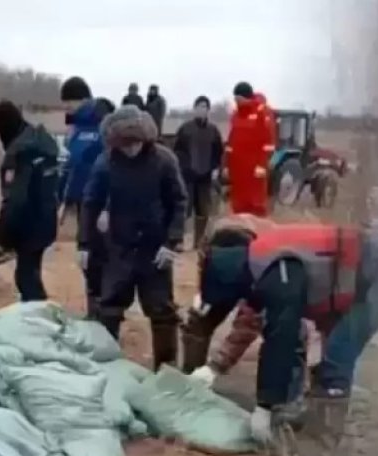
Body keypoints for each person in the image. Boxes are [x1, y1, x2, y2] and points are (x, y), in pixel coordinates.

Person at [183, 215, 378, 446]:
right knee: (327, 359)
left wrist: (265, 406)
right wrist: (215, 368)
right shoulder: (258, 263)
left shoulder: (276, 267)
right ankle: (312, 420)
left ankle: (324, 443)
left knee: (337, 356)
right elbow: (258, 317)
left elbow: (281, 335)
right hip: (351, 280)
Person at [82, 105, 187, 368]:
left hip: (155, 249)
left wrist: (171, 242)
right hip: (119, 246)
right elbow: (90, 203)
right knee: (109, 307)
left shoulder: (164, 160)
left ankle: (166, 368)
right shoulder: (106, 162)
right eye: (124, 145)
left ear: (145, 139)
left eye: (135, 143)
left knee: (162, 311)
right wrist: (85, 243)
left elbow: (179, 202)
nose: (130, 149)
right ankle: (105, 365)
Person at [0, 101, 60, 302]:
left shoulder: (18, 154)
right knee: (31, 274)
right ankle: (36, 315)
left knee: (26, 279)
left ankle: (38, 322)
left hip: (29, 226)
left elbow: (15, 201)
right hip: (47, 220)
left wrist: (1, 236)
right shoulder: (44, 142)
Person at [60, 76, 113, 317]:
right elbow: (73, 166)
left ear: (82, 99)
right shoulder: (76, 128)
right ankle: (95, 307)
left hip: (102, 203)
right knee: (86, 256)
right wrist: (65, 199)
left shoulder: (103, 123)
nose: (66, 107)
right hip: (83, 201)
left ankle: (105, 309)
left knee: (100, 256)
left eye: (68, 102)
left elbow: (114, 168)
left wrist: (108, 206)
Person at [172, 96, 224, 249]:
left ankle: (199, 242)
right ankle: (179, 240)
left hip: (205, 176)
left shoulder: (213, 131)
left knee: (203, 210)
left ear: (208, 110)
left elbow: (218, 152)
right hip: (187, 176)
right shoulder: (185, 128)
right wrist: (182, 167)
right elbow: (177, 150)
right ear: (194, 109)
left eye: (205, 107)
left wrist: (215, 169)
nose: (202, 110)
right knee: (184, 209)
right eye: (199, 107)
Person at [224, 82, 275, 217]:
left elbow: (268, 143)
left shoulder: (261, 112)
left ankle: (258, 231)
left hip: (254, 169)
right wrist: (227, 166)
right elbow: (231, 142)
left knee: (255, 203)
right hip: (238, 168)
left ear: (246, 97)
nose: (236, 102)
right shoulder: (235, 115)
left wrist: (261, 165)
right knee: (239, 204)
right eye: (235, 99)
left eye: (238, 99)